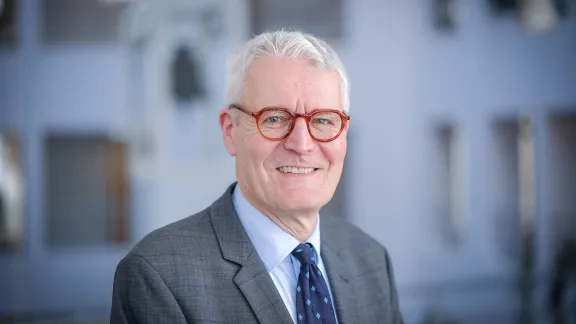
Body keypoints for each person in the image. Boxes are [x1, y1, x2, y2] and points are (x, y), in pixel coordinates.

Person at [110, 30, 404, 324]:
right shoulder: (158, 276)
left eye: (323, 120)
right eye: (274, 118)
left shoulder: (371, 260)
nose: (301, 144)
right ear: (230, 131)